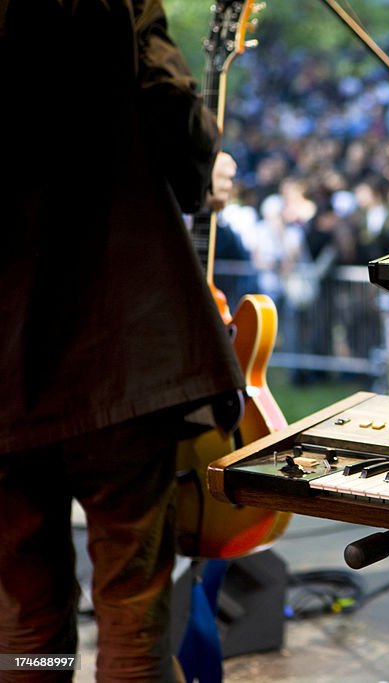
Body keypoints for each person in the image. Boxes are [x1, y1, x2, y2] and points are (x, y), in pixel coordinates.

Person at [0, 1, 243, 680]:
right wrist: (202, 172)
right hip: (117, 340)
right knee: (131, 603)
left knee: (25, 609)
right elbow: (169, 107)